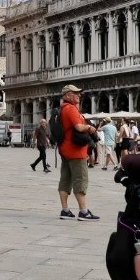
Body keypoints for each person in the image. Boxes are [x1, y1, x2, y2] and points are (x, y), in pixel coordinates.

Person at [56, 84, 99, 220]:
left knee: (65, 179)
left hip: (65, 149)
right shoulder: (71, 109)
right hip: (76, 150)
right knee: (80, 179)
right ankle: (83, 211)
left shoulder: (62, 108)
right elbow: (79, 127)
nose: (79, 95)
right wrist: (90, 128)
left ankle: (65, 210)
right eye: (76, 93)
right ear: (68, 95)